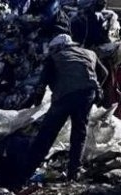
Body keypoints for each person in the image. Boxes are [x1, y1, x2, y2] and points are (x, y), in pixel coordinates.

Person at [23, 34, 108, 183]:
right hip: (86, 96)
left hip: (64, 97)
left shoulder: (54, 58)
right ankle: (73, 174)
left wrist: (34, 105)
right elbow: (105, 73)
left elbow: (41, 85)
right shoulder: (90, 53)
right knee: (79, 133)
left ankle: (27, 170)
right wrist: (95, 90)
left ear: (59, 47)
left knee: (47, 133)